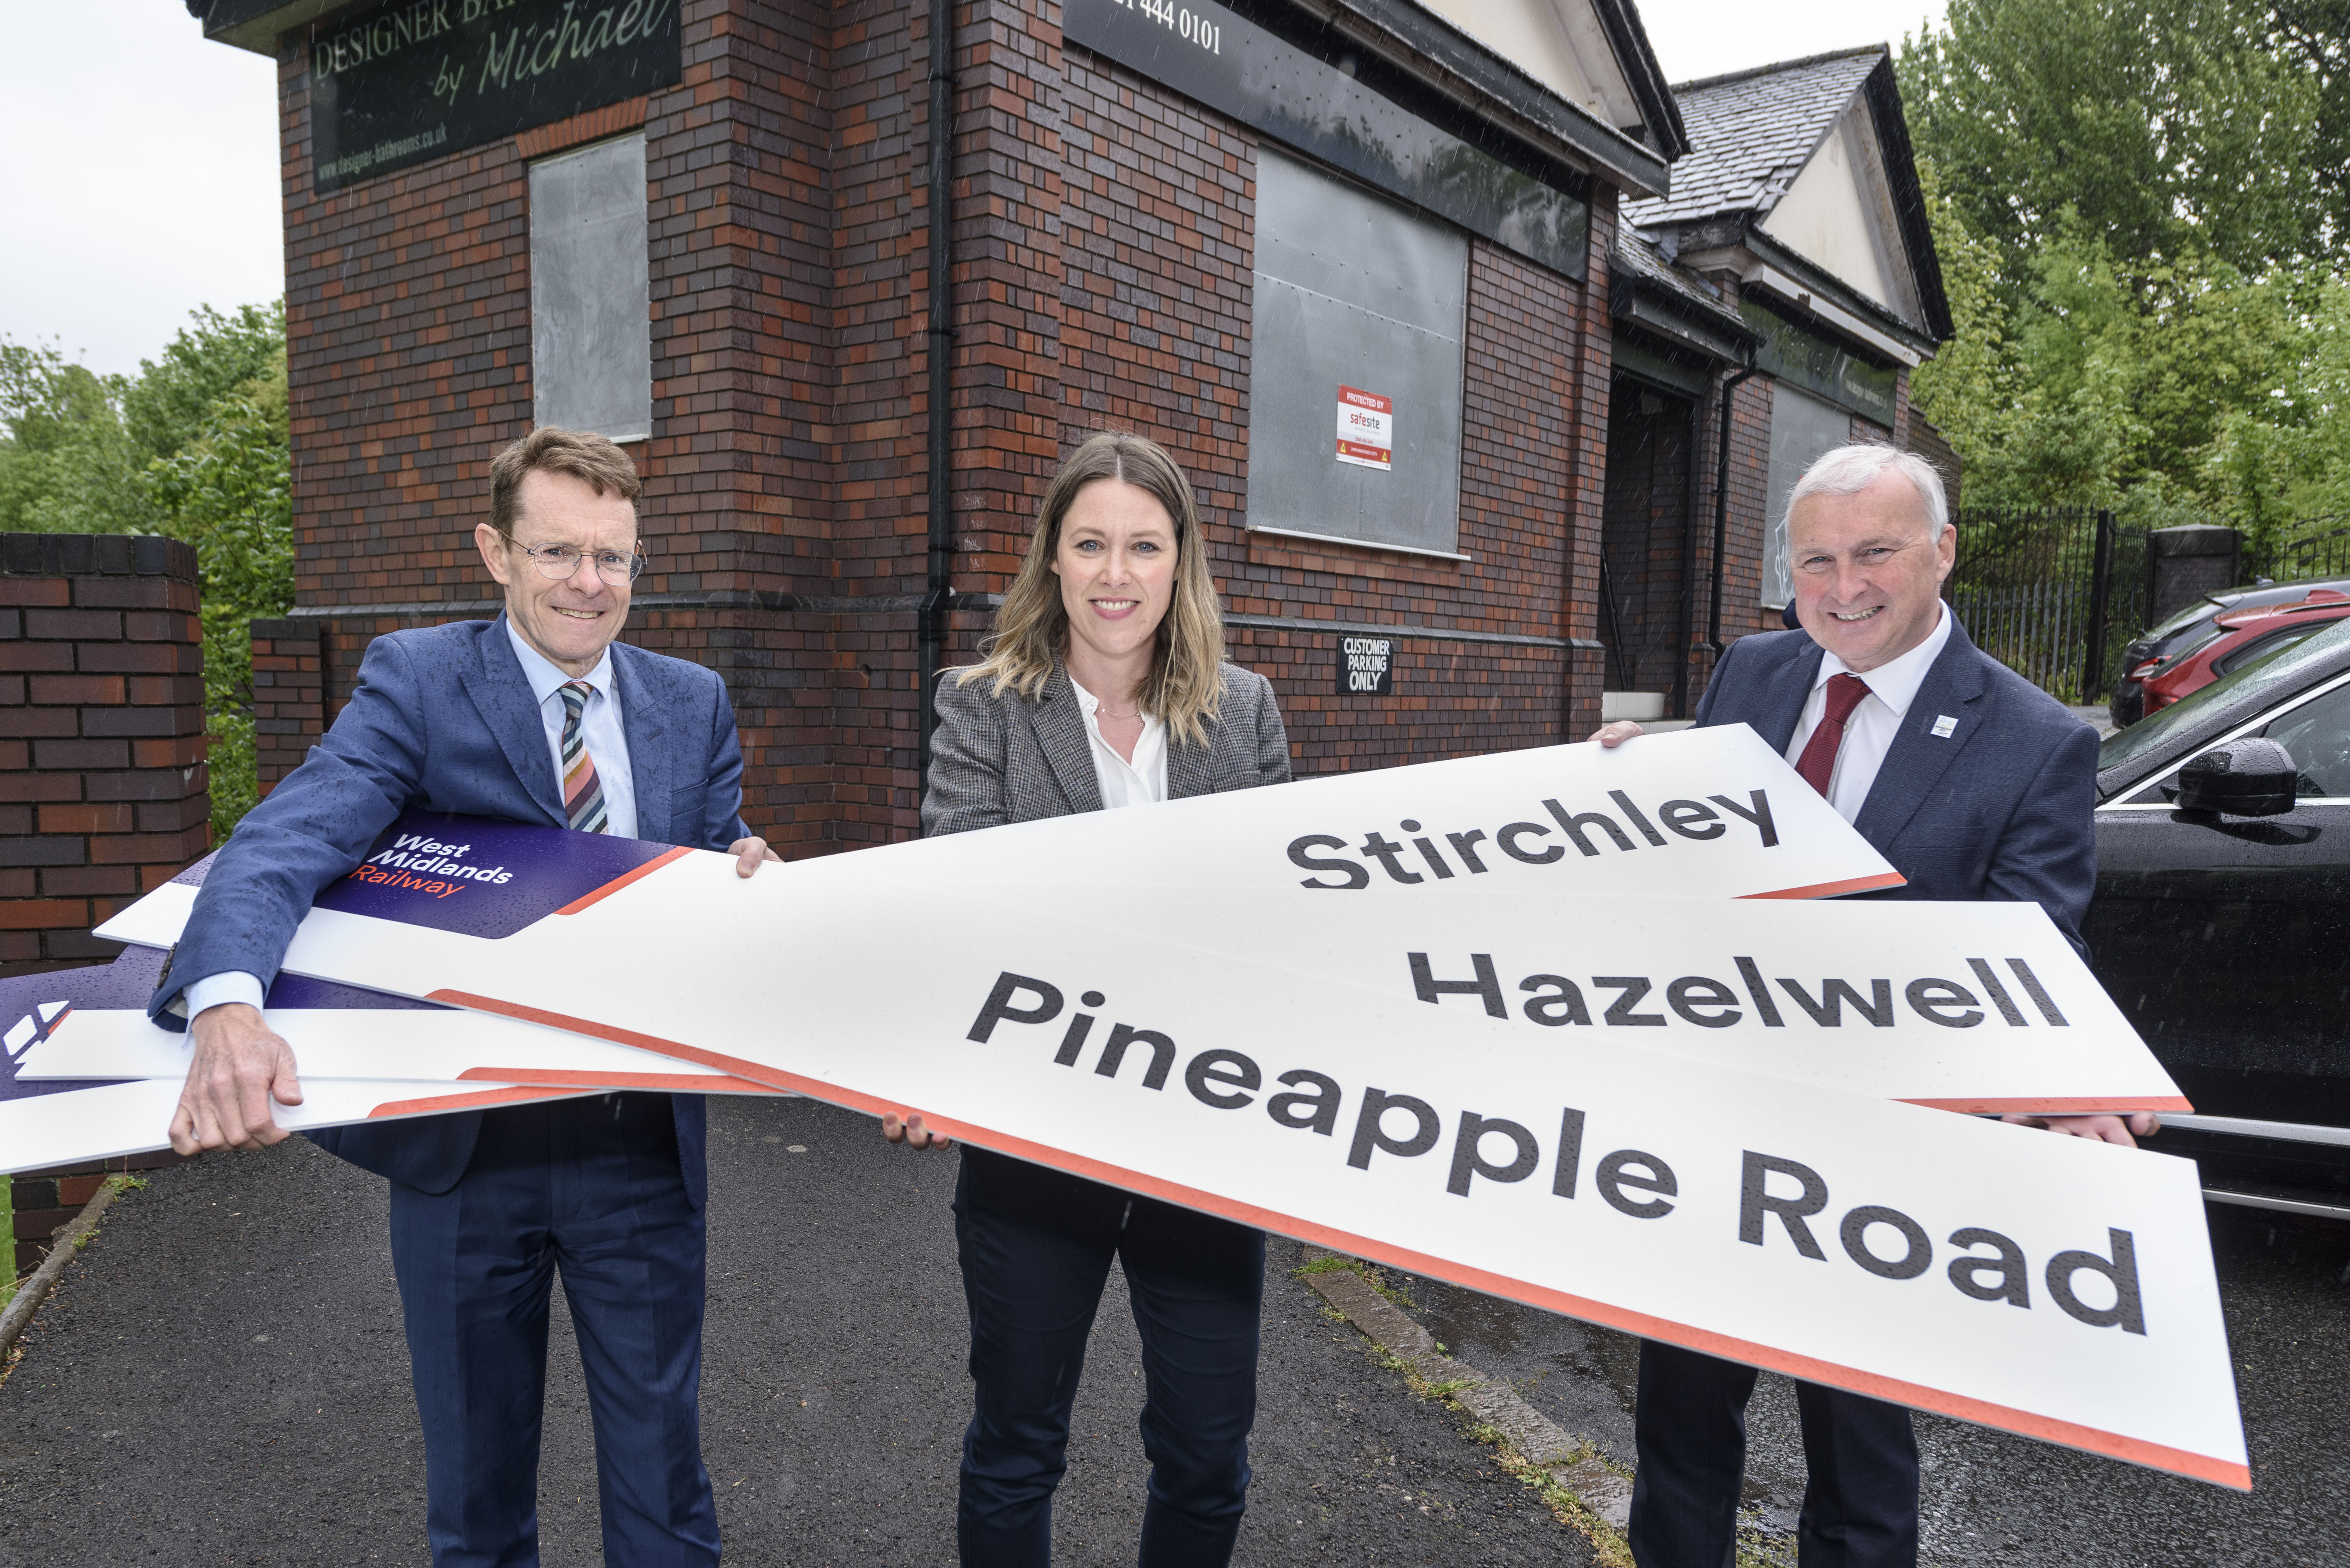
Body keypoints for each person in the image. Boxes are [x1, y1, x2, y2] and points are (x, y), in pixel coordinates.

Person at [154, 427, 778, 1568]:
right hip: (464, 1152)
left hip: (636, 1147)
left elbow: (706, 867)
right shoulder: (421, 678)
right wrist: (227, 1002)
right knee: (478, 1510)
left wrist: (749, 876)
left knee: (666, 1500)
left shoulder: (693, 703)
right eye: (558, 552)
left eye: (615, 559)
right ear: (496, 550)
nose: (590, 584)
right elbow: (286, 838)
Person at [1593, 443, 2138, 1568]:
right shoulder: (1752, 672)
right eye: (1817, 561)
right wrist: (1633, 792)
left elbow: (2034, 949)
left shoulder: (2036, 742)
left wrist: (2061, 1079)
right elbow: (1704, 859)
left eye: (1877, 552)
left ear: (1944, 550)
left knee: (1859, 1464)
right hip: (1717, 1125)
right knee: (1681, 1435)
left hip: (1880, 1156)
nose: (1844, 588)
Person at [886, 430, 1292, 1567]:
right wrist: (928, 1063)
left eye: (1145, 546)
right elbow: (954, 899)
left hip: (1200, 1143)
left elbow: (1282, 928)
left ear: (1181, 565)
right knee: (1018, 1442)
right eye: (1092, 544)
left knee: (1209, 1454)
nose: (1118, 573)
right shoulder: (982, 706)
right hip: (1035, 1140)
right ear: (1052, 561)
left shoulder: (1245, 711)